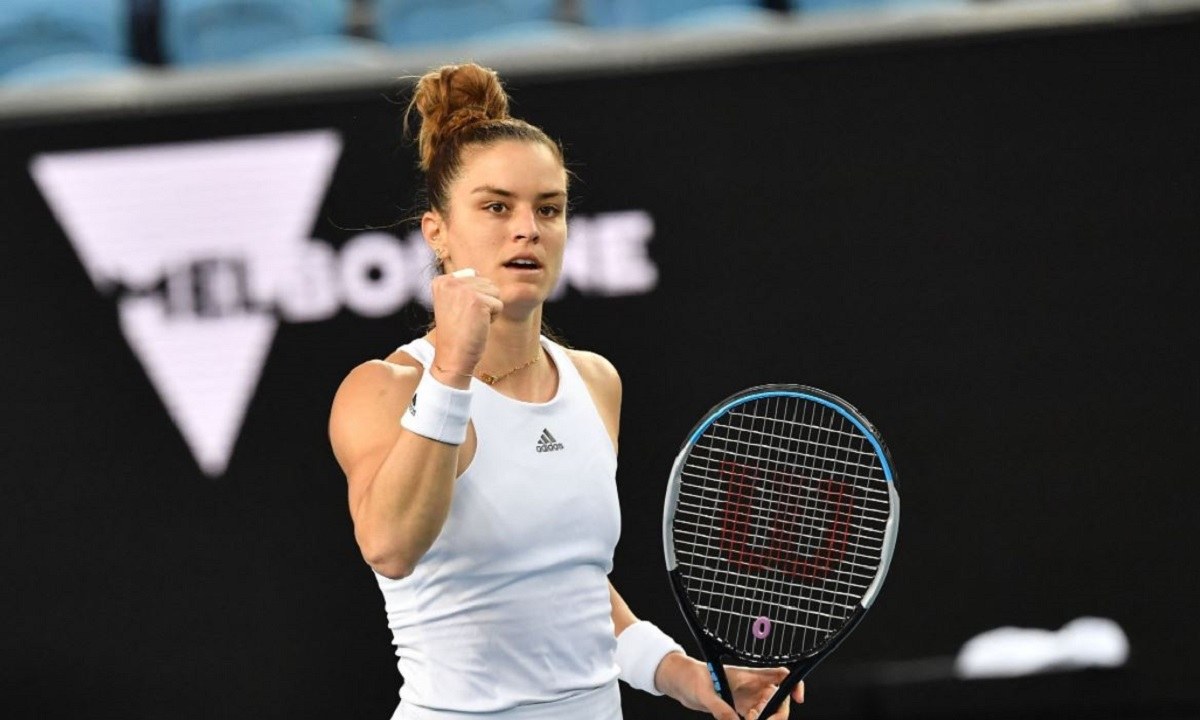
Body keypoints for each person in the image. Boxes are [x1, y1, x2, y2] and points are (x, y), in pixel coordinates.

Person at [328, 62, 805, 720]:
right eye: (497, 207)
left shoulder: (595, 381)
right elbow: (389, 547)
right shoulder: (386, 388)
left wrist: (684, 676)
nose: (528, 228)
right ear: (436, 232)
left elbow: (573, 590)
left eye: (548, 209)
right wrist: (453, 371)